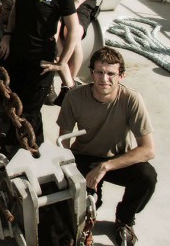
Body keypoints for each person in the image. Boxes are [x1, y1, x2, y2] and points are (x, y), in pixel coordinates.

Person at [58, 47, 156, 246]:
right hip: (84, 157)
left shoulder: (131, 100)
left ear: (121, 76)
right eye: (99, 72)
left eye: (111, 73)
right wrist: (71, 177)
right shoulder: (74, 97)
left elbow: (148, 149)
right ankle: (84, 222)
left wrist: (106, 166)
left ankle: (125, 220)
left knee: (147, 177)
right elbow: (63, 144)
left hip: (117, 159)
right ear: (91, 73)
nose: (105, 78)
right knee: (85, 204)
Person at [0, 0, 78, 144]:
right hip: (17, 52)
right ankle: (35, 143)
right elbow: (15, 11)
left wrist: (62, 62)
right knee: (14, 101)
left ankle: (13, 149)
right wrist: (7, 35)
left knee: (29, 109)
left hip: (41, 60)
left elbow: (74, 29)